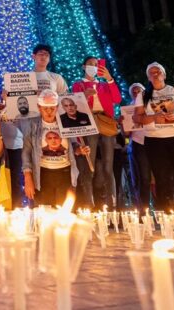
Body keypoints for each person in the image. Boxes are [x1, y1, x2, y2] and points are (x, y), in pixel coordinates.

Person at [1, 44, 68, 207]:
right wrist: (7, 97)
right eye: (40, 54)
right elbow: (13, 101)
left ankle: (50, 199)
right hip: (27, 122)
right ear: (33, 57)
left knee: (46, 158)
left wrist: (48, 100)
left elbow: (65, 98)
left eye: (46, 54)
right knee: (29, 157)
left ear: (49, 58)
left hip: (49, 123)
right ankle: (34, 202)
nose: (43, 57)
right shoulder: (24, 77)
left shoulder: (55, 78)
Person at [132, 62, 174, 210]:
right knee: (162, 179)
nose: (155, 74)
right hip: (155, 140)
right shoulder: (143, 95)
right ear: (148, 77)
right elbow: (137, 118)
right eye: (151, 72)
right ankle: (166, 215)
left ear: (164, 74)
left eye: (158, 71)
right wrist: (154, 117)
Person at [72, 56, 121, 209]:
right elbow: (75, 106)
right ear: (83, 66)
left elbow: (117, 99)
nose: (93, 67)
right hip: (89, 122)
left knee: (108, 166)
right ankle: (88, 203)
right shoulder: (78, 85)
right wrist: (84, 96)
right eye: (90, 64)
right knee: (89, 164)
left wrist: (110, 79)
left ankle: (111, 204)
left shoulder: (105, 85)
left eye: (96, 64)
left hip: (105, 122)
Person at [22, 90, 82, 206]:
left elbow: (74, 145)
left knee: (63, 213)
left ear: (57, 107)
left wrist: (79, 149)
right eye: (45, 108)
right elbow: (26, 152)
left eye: (52, 108)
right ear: (39, 107)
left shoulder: (66, 122)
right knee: (44, 212)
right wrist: (28, 177)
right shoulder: (32, 125)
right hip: (42, 174)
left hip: (65, 173)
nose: (49, 112)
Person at [127, 83, 152, 211]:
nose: (137, 93)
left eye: (139, 91)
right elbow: (126, 133)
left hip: (155, 141)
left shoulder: (150, 104)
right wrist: (123, 123)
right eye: (134, 92)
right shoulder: (129, 108)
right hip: (138, 143)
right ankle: (144, 210)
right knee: (143, 178)